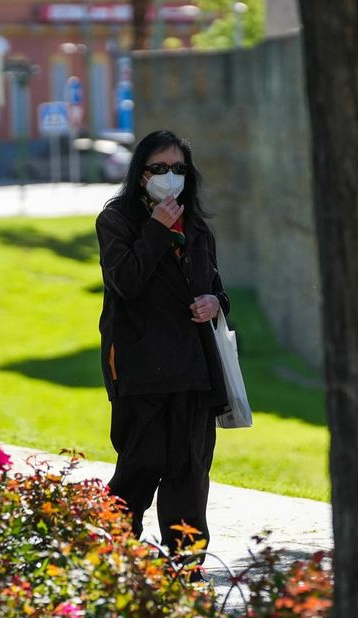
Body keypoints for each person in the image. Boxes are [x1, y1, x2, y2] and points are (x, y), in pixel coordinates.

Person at [95, 129, 231, 554]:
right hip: (140, 369)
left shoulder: (197, 228)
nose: (170, 176)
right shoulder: (116, 220)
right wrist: (155, 228)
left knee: (189, 475)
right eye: (159, 168)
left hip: (194, 371)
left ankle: (186, 567)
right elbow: (127, 281)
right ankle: (110, 557)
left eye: (178, 169)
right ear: (140, 175)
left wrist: (215, 301)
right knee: (139, 467)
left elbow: (215, 288)